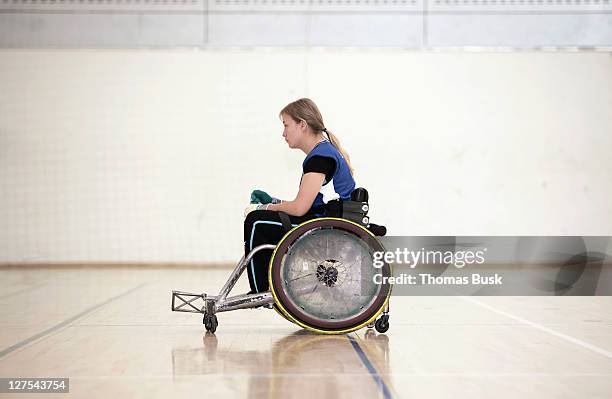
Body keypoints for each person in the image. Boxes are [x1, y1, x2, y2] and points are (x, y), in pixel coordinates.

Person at [243, 98, 356, 293]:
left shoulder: (320, 157)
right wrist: (274, 202)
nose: (283, 133)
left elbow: (300, 208)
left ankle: (262, 290)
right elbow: (305, 205)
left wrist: (266, 208)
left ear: (302, 125)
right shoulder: (324, 152)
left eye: (286, 125)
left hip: (327, 226)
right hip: (326, 220)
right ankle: (269, 284)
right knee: (263, 219)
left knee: (256, 221)